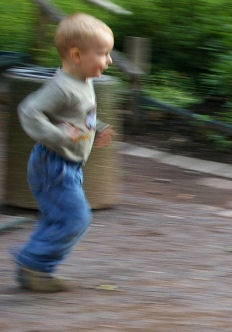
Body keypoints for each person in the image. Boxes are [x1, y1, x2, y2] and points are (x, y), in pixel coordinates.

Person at [13, 12, 116, 292]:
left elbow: (78, 115)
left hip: (68, 165)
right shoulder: (61, 87)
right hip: (53, 165)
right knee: (75, 218)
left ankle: (35, 268)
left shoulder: (83, 81)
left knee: (62, 217)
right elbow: (28, 111)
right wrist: (58, 135)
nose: (109, 60)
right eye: (104, 54)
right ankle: (34, 265)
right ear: (76, 55)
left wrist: (97, 128)